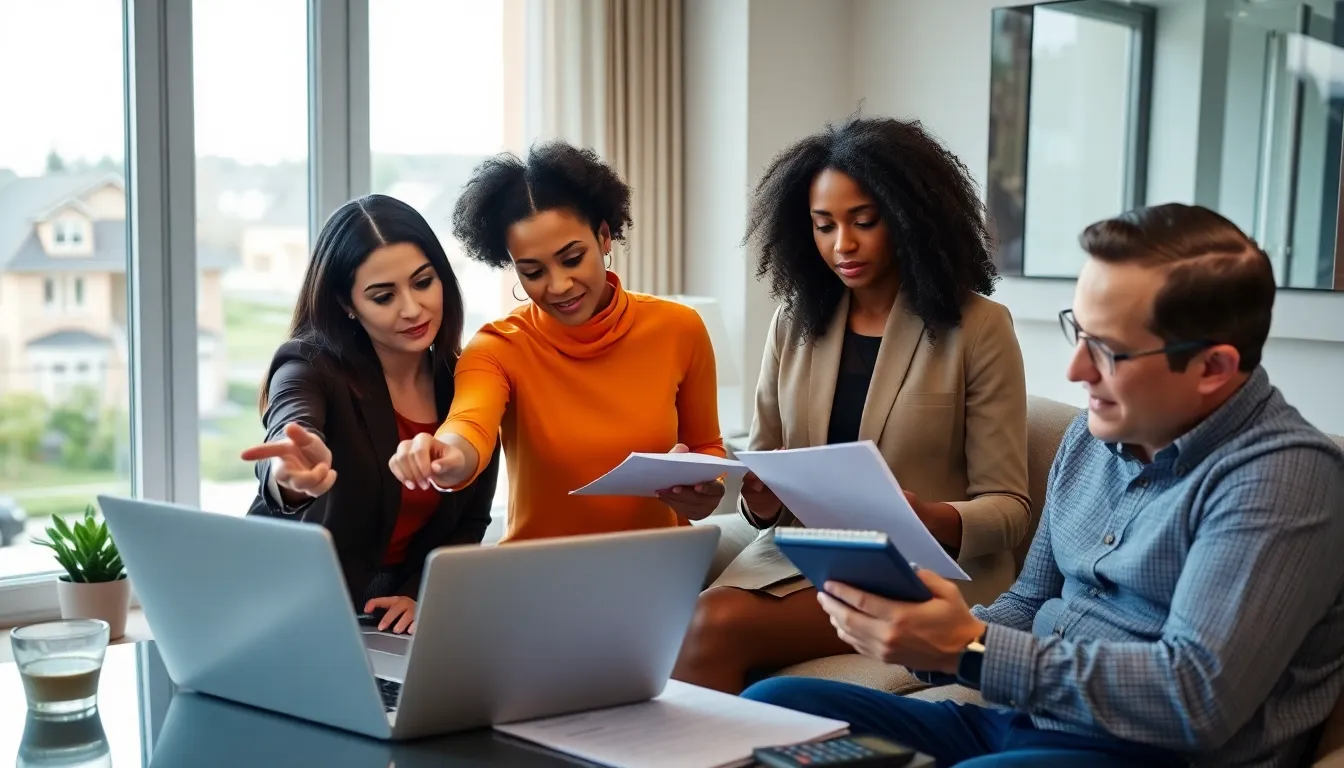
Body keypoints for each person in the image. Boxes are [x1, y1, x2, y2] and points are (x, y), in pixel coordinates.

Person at [743, 203, 1344, 768]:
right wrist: (924, 635)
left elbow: (1195, 700)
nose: (1076, 370)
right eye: (1078, 332)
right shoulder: (1091, 438)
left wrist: (969, 650)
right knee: (773, 707)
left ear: (1212, 368)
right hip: (1026, 724)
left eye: (1108, 350)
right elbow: (1030, 604)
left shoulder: (1283, 478)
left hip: (1153, 754)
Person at [672, 116, 1030, 693]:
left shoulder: (979, 328)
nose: (844, 244)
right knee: (675, 614)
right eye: (824, 225)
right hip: (804, 559)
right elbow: (765, 473)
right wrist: (762, 499)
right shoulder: (794, 323)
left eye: (865, 221)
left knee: (712, 624)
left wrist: (929, 516)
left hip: (918, 573)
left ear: (912, 216)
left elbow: (1010, 508)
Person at [387, 141, 726, 540]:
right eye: (533, 272)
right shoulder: (497, 347)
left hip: (657, 564)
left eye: (571, 258)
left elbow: (707, 447)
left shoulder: (679, 328)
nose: (559, 286)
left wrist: (707, 491)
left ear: (603, 236)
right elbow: (467, 426)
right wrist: (446, 456)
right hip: (539, 576)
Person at [241, 195, 501, 635]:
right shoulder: (309, 364)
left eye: (423, 282)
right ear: (347, 304)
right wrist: (289, 474)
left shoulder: (470, 380)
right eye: (383, 296)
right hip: (284, 606)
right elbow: (292, 422)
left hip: (386, 615)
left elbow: (471, 519)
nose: (413, 309)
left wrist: (422, 593)